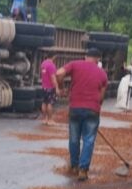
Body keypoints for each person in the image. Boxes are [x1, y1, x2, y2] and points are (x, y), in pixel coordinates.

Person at [55, 48, 108, 181]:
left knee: (74, 138)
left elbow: (59, 73)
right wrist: (96, 109)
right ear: (98, 59)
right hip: (92, 110)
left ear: (85, 56)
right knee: (89, 140)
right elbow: (101, 97)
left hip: (75, 108)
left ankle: (74, 165)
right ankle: (83, 169)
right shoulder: (102, 74)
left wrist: (61, 88)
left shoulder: (75, 64)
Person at [40, 52, 59, 125]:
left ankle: (44, 119)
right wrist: (56, 87)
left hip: (44, 86)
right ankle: (50, 120)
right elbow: (53, 78)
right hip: (50, 87)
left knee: (44, 102)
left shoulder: (43, 64)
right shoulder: (51, 65)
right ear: (53, 57)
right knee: (50, 103)